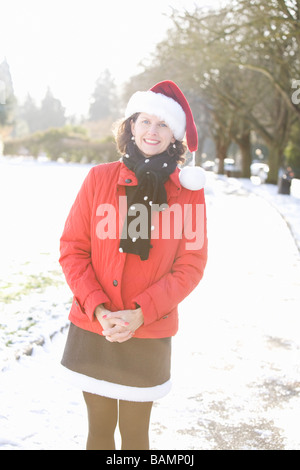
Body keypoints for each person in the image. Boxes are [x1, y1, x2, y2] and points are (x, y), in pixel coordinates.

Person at [59, 80, 208, 450]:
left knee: (136, 437)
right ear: (131, 125)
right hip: (97, 326)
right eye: (144, 121)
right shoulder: (99, 179)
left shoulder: (188, 192)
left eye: (162, 125)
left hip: (148, 330)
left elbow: (191, 263)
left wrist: (142, 313)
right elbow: (73, 249)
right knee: (98, 432)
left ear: (174, 135)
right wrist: (99, 308)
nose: (151, 132)